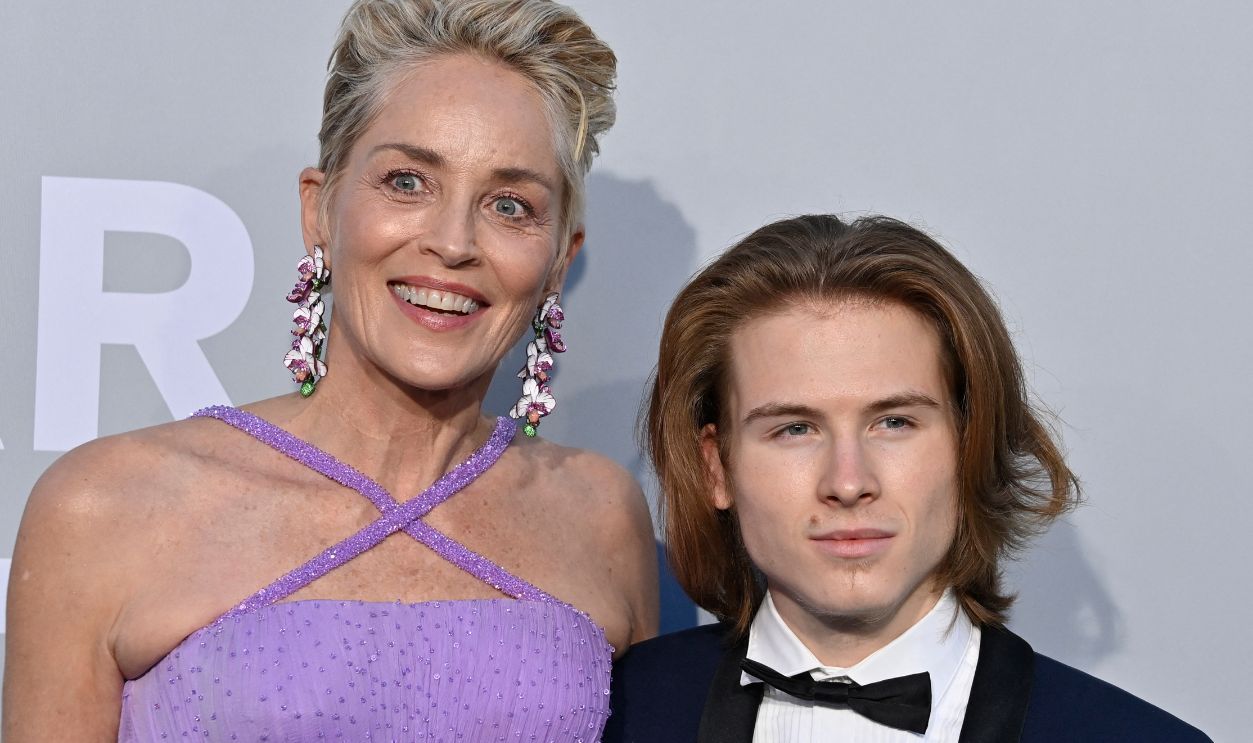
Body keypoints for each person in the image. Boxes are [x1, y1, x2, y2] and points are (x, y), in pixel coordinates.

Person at [3, 1, 658, 739]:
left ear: (556, 262)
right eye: (408, 181)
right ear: (320, 209)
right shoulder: (104, 507)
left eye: (509, 205)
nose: (452, 242)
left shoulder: (601, 517)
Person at [604, 215, 1209, 742]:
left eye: (893, 422)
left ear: (968, 444)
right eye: (794, 429)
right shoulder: (609, 717)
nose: (848, 482)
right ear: (717, 467)